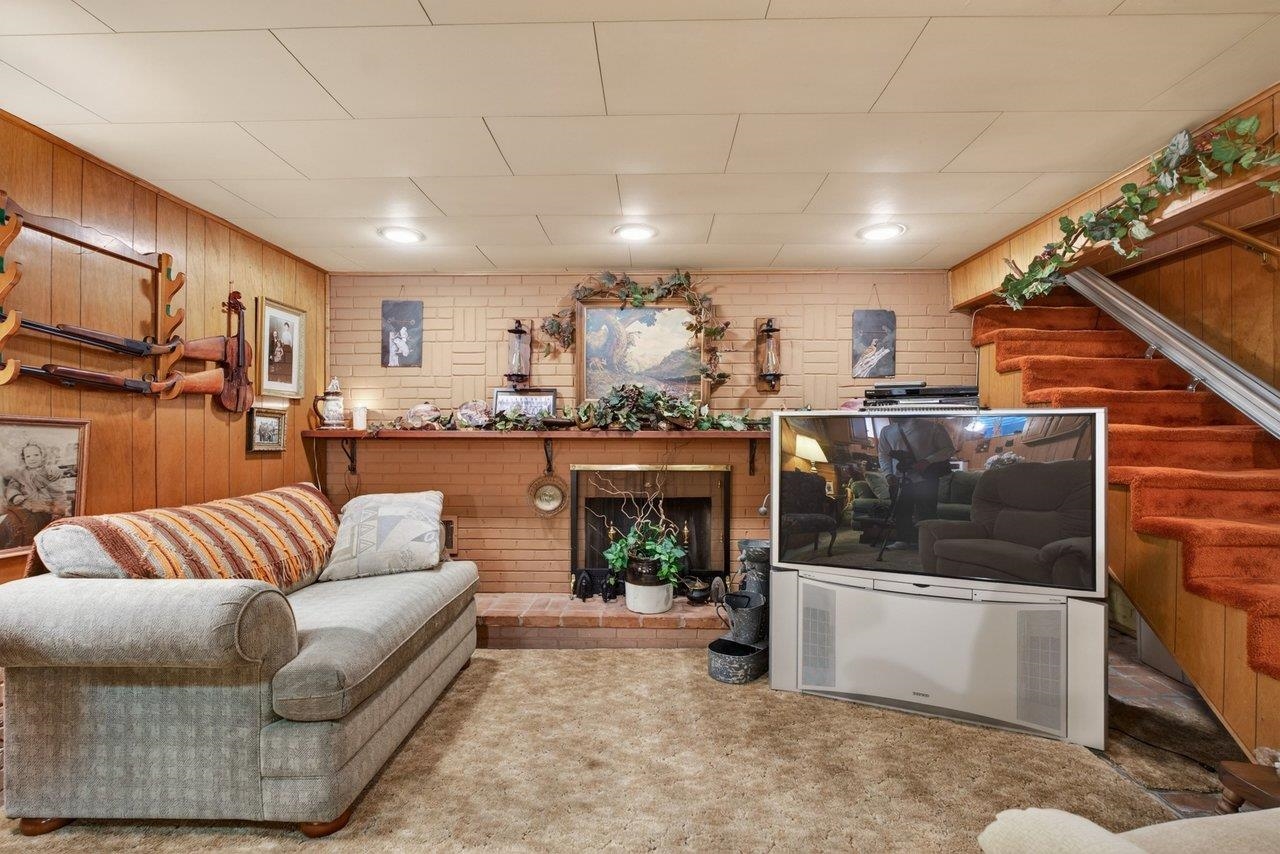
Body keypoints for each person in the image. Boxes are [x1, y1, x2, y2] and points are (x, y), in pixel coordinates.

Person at [876, 418, 956, 550]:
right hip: (899, 478)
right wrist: (888, 474)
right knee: (901, 511)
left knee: (927, 511)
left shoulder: (933, 427)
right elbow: (883, 454)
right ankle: (902, 540)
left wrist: (927, 461)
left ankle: (929, 542)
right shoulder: (886, 431)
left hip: (926, 478)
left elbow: (948, 449)